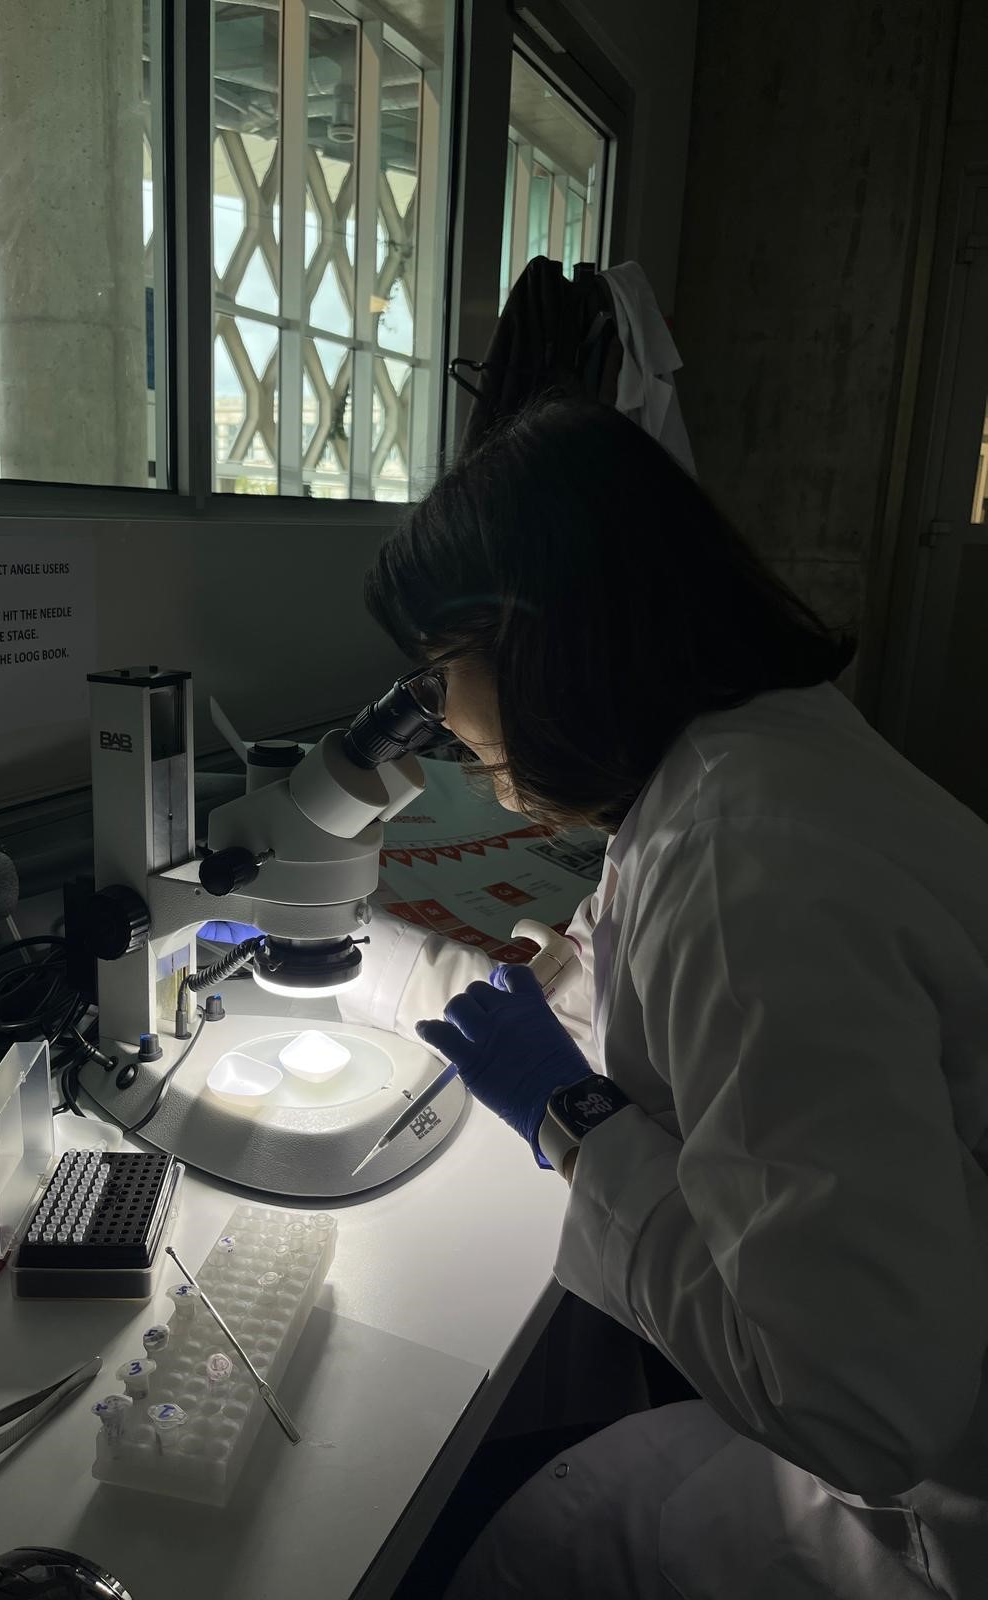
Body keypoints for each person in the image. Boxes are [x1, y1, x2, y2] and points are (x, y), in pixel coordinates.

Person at [336, 401, 988, 1599]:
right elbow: (606, 992)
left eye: (440, 676)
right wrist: (379, 957)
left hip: (933, 1491)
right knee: (578, 1484)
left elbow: (858, 1410)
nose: (444, 721)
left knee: (538, 1545)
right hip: (929, 1387)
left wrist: (574, 1121)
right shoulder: (745, 760)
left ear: (537, 643)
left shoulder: (743, 861)